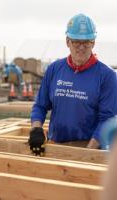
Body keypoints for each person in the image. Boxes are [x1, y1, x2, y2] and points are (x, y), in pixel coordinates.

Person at [28, 13, 117, 156]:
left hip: (90, 147)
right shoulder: (55, 69)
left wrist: (88, 153)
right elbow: (40, 105)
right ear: (67, 42)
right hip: (55, 146)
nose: (81, 47)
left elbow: (107, 120)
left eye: (87, 42)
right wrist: (36, 129)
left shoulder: (107, 76)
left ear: (93, 42)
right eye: (76, 41)